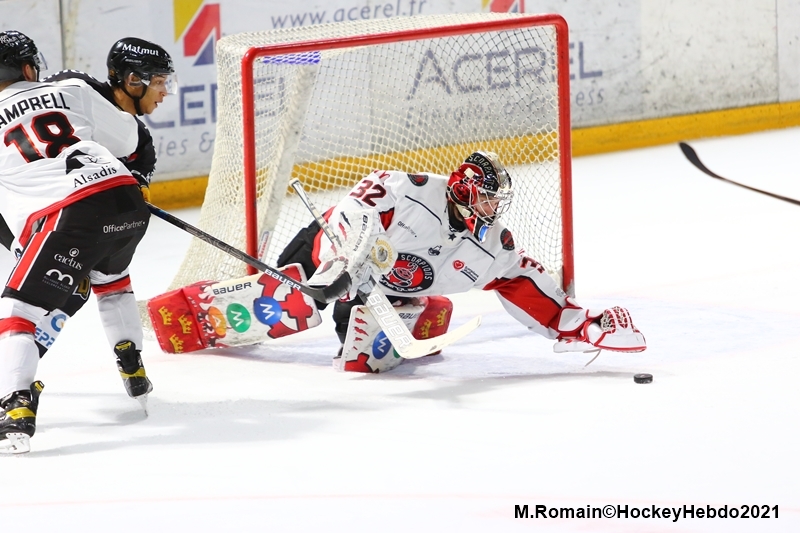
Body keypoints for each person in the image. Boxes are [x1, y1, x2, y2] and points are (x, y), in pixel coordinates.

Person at [277, 151, 646, 370]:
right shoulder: (406, 190)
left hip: (377, 290)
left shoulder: (490, 244)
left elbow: (521, 279)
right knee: (286, 298)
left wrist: (580, 325)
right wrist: (338, 266)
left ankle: (420, 308)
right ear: (463, 190)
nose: (493, 207)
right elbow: (353, 214)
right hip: (328, 248)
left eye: (496, 200)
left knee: (359, 360)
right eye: (487, 197)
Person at [0, 30, 153, 454]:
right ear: (29, 67)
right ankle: (133, 367)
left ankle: (15, 407)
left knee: (18, 308)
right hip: (126, 201)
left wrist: (19, 244)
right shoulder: (69, 91)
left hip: (69, 214)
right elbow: (131, 139)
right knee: (112, 277)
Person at [0, 37, 176, 358]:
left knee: (62, 286)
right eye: (159, 82)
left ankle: (17, 365)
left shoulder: (128, 132)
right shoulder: (72, 89)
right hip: (61, 203)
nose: (164, 92)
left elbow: (137, 156)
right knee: (62, 285)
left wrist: (132, 184)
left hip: (76, 206)